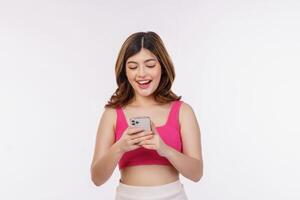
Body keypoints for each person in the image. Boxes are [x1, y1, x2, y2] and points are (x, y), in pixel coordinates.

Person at [90, 31, 203, 200]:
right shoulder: (113, 113)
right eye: (133, 67)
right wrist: (120, 147)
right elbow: (97, 178)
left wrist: (164, 149)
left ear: (162, 66)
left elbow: (196, 173)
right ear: (125, 72)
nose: (141, 74)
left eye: (150, 65)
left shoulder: (183, 111)